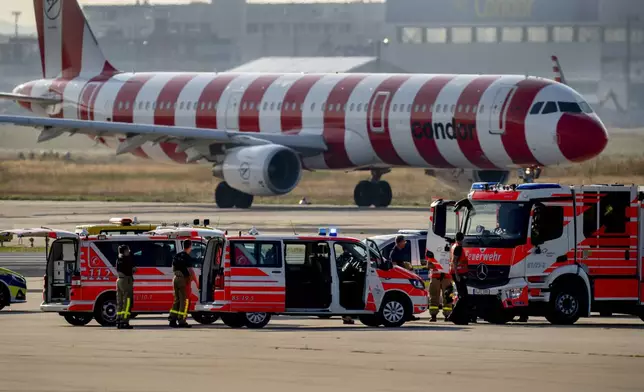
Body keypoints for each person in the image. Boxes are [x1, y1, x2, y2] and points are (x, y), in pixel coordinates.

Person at [448, 232, 471, 325]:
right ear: (462, 238)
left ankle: (459, 317)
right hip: (459, 274)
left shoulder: (454, 246)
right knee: (463, 296)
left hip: (458, 273)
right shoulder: (458, 248)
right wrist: (457, 275)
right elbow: (454, 261)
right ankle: (453, 316)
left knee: (463, 296)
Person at [169, 239, 194, 328]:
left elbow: (173, 268)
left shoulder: (177, 255)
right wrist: (196, 282)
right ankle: (182, 320)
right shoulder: (187, 257)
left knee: (177, 300)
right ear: (190, 246)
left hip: (175, 279)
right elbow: (191, 272)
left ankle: (172, 319)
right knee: (184, 301)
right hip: (183, 280)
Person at [426, 250, 453, 322]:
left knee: (448, 297)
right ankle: (433, 316)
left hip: (446, 277)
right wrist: (439, 265)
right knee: (434, 296)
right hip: (436, 277)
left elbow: (453, 263)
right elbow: (428, 265)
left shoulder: (450, 250)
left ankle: (448, 315)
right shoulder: (432, 250)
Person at [115, 245, 136, 329]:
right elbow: (133, 269)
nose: (129, 251)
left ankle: (119, 320)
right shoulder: (127, 259)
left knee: (119, 302)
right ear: (124, 251)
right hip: (126, 280)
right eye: (127, 250)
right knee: (127, 302)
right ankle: (125, 321)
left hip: (119, 280)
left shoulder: (118, 259)